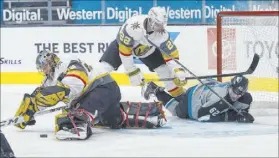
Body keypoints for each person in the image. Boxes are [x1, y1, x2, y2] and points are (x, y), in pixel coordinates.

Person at [13, 50, 166, 140]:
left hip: (102, 88)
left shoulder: (66, 63)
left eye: (45, 66)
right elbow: (41, 96)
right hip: (102, 95)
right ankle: (151, 113)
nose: (44, 70)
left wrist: (60, 96)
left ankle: (79, 124)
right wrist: (30, 110)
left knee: (72, 120)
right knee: (114, 120)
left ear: (52, 62)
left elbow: (75, 85)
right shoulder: (50, 79)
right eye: (41, 68)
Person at [98, 6, 188, 99]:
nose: (161, 28)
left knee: (165, 71)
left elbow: (171, 55)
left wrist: (177, 69)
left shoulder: (162, 34)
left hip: (147, 50)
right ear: (151, 21)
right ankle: (92, 94)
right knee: (104, 68)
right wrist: (130, 70)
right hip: (120, 46)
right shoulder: (132, 26)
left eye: (162, 24)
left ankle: (180, 97)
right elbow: (125, 51)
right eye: (158, 24)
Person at [142, 75, 255, 123]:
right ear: (231, 86)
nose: (237, 96)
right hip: (194, 96)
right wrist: (233, 117)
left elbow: (242, 106)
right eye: (235, 91)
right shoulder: (219, 99)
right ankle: (154, 89)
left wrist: (243, 113)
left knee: (184, 101)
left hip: (205, 90)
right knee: (179, 111)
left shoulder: (245, 98)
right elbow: (201, 116)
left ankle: (181, 96)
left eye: (241, 93)